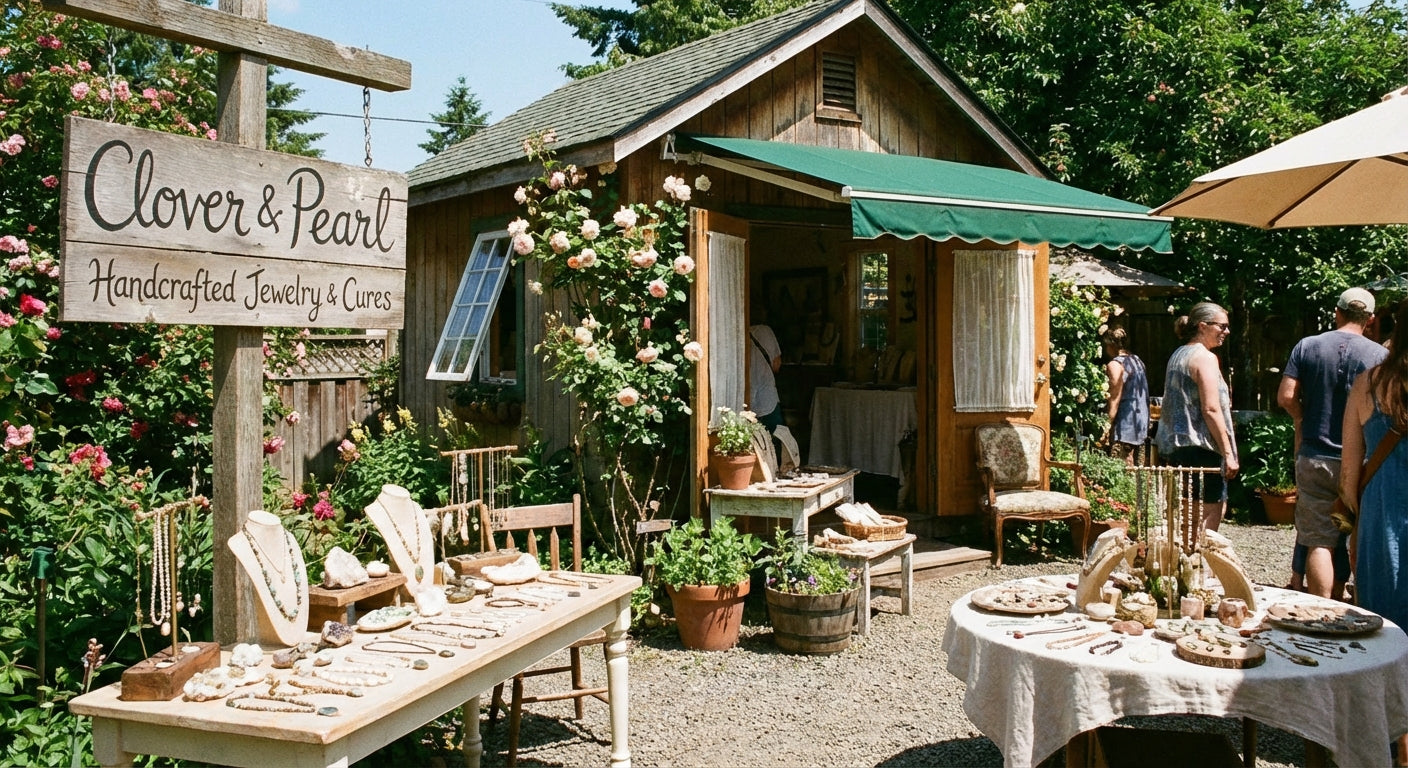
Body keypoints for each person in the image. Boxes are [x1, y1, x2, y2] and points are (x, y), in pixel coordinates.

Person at [1276, 287, 1386, 600]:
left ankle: (1321, 612)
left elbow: (1285, 396)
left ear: (1336, 312)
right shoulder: (1379, 356)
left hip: (1314, 455)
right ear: (1370, 319)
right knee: (1355, 538)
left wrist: (1300, 418)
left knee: (1318, 540)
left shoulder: (1307, 346)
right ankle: (1353, 606)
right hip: (1363, 462)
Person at [1340, 298, 1408, 768]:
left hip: (1384, 522)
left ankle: (1388, 744)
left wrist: (1352, 519)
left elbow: (1349, 472)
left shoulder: (1369, 383)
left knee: (1383, 636)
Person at [1155, 302, 1238, 531]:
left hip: (1177, 447)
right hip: (1202, 449)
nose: (1226, 332)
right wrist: (1228, 453)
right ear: (1203, 326)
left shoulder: (1178, 355)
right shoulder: (1205, 358)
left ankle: (1184, 562)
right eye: (1222, 326)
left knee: (1185, 515)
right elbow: (1211, 409)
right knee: (1208, 518)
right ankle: (1199, 564)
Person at [1100, 326, 1149, 465]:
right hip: (1140, 423)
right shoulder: (1137, 361)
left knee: (1122, 465)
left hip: (1125, 424)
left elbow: (1114, 399)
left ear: (1110, 345)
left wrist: (1106, 426)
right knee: (1137, 467)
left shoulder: (1115, 365)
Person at [748, 318, 783, 435]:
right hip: (768, 400)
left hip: (746, 403)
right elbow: (776, 365)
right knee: (774, 443)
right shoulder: (765, 331)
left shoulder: (735, 333)